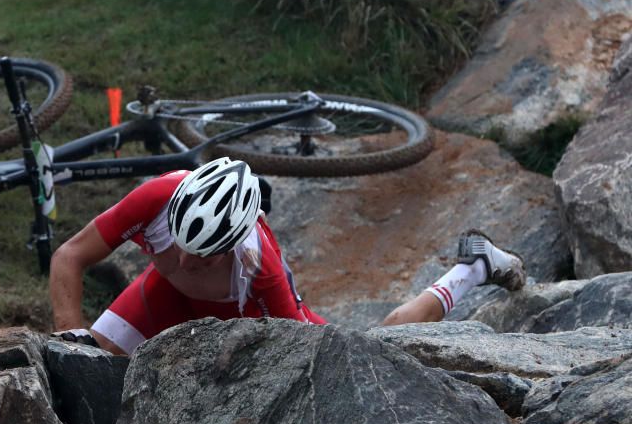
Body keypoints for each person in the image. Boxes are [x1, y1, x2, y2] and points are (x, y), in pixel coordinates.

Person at [49, 157, 525, 356]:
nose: (188, 263)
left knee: (375, 348)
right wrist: (70, 339)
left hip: (242, 318)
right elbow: (69, 256)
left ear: (233, 249)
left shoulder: (260, 271)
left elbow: (299, 365)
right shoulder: (154, 199)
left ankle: (473, 267)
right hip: (162, 298)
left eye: (205, 258)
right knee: (92, 366)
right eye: (179, 246)